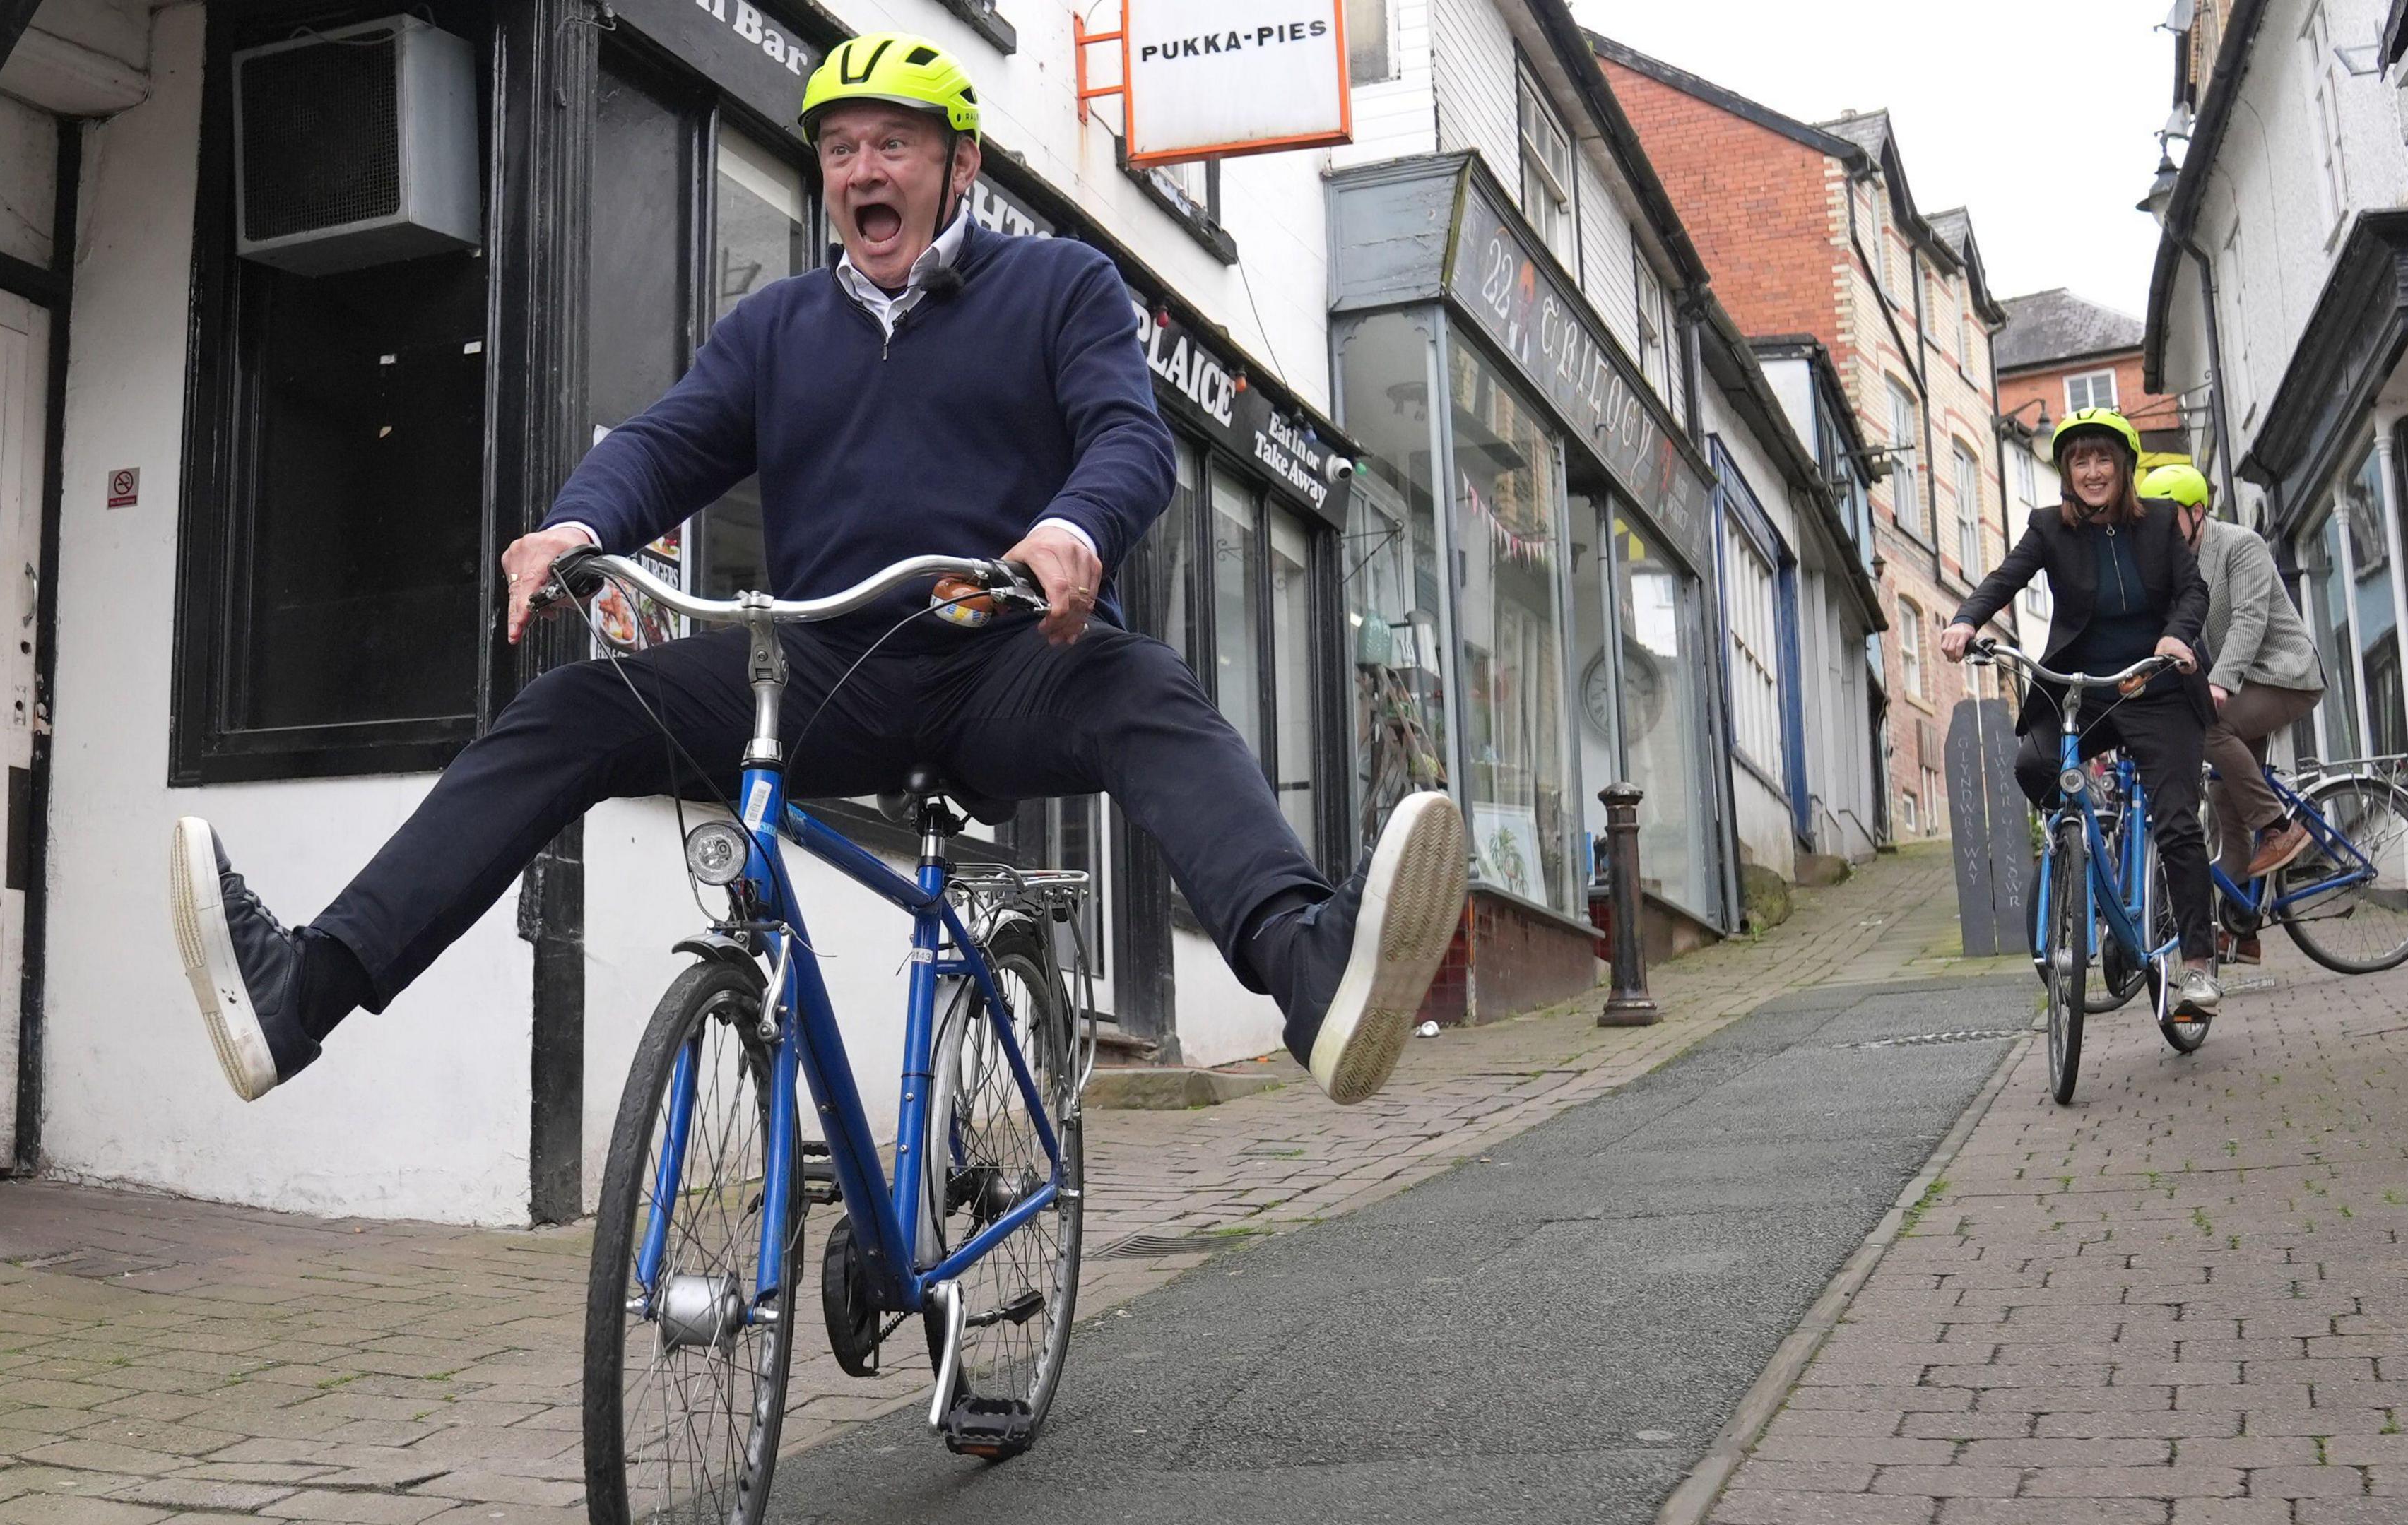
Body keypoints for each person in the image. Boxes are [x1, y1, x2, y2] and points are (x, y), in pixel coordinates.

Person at [167, 33, 1468, 1110]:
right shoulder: (774, 328)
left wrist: (1071, 532)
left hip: (1011, 658)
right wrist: (576, 526)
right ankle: (303, 994)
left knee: (1151, 693)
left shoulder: (1060, 286)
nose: (861, 171)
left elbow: (1127, 437)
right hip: (830, 667)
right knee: (566, 712)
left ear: (959, 161)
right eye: (840, 150)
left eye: (892, 142)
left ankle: (1311, 972)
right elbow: (669, 446)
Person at [1939, 408, 2223, 1018]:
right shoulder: (2049, 528)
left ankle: (2197, 962)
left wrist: (2176, 637)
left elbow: (2192, 589)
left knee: (2176, 821)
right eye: (2079, 461)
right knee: (2034, 765)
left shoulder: (2159, 526)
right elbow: (2005, 577)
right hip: (2084, 688)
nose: (2092, 472)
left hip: (2157, 686)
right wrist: (1967, 618)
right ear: (2068, 472)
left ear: (2124, 468)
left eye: (2102, 459)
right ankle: (2081, 841)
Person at [2141, 463, 2326, 964]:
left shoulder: (2241, 546)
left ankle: (2279, 826)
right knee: (2225, 801)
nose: (2158, 531)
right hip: (2239, 683)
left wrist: (2219, 681)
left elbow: (2248, 618)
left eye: (2167, 518)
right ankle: (2242, 927)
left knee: (2210, 729)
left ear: (2197, 512)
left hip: (2283, 674)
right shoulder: (2170, 566)